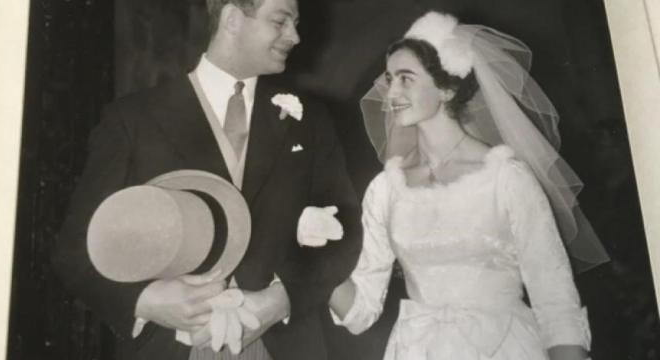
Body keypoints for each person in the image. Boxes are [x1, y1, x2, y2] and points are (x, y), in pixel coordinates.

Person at [51, 0, 362, 359]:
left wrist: (282, 300)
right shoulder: (133, 120)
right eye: (280, 21)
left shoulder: (311, 120)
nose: (295, 35)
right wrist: (147, 301)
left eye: (295, 23)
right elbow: (75, 250)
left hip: (281, 346)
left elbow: (346, 230)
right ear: (232, 19)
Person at [328, 11, 608, 360]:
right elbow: (361, 311)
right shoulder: (385, 190)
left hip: (506, 347)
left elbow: (556, 301)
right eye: (389, 78)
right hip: (417, 350)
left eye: (405, 79)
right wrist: (315, 265)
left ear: (446, 88)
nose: (390, 92)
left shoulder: (507, 178)